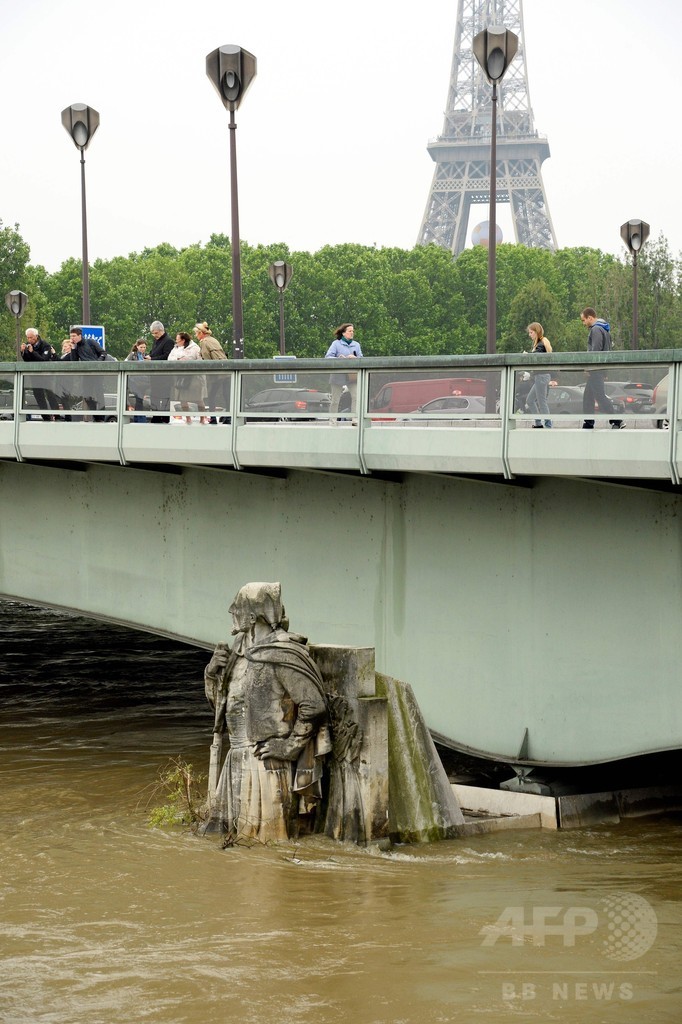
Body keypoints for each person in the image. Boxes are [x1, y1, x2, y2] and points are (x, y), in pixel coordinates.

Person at [203, 582, 330, 843]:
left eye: (236, 607)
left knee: (267, 847)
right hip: (235, 760)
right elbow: (226, 709)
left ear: (252, 616)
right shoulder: (239, 652)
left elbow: (314, 705)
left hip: (265, 766)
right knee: (229, 843)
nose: (231, 612)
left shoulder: (282, 653)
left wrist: (289, 747)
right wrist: (212, 673)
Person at [580, 308, 623, 430]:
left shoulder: (596, 329)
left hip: (595, 369)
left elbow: (596, 351)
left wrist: (589, 368)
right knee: (588, 396)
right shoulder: (604, 329)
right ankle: (588, 423)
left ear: (590, 317)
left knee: (599, 396)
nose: (584, 323)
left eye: (584, 320)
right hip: (599, 369)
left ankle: (616, 420)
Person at [63, 327, 105, 417]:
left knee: (99, 394)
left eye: (74, 336)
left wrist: (97, 363)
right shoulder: (76, 347)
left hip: (97, 372)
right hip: (86, 374)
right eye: (71, 336)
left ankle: (102, 416)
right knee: (87, 396)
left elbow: (103, 353)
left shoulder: (90, 342)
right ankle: (96, 416)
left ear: (80, 336)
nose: (72, 338)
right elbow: (74, 361)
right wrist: (73, 348)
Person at [20, 328, 59, 421]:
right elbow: (27, 360)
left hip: (46, 375)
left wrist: (32, 352)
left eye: (31, 337)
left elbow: (43, 360)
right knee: (38, 395)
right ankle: (45, 416)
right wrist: (23, 352)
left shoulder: (45, 345)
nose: (29, 340)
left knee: (50, 394)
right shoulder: (28, 345)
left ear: (36, 336)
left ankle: (57, 415)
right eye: (28, 337)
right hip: (35, 375)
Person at [325, 323, 362, 421]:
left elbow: (362, 359)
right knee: (335, 400)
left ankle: (355, 419)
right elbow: (328, 357)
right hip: (338, 375)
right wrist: (338, 358)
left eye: (353, 331)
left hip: (352, 375)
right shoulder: (336, 344)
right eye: (350, 331)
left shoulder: (356, 345)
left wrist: (355, 358)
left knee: (356, 397)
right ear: (343, 333)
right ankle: (332, 420)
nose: (352, 333)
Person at [168, 331, 207, 424]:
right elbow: (170, 358)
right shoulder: (175, 348)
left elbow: (200, 360)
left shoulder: (195, 348)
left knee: (198, 399)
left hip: (194, 377)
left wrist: (187, 360)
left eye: (177, 340)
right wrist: (178, 360)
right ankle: (188, 418)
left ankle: (202, 418)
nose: (176, 342)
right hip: (181, 377)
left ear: (183, 340)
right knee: (183, 399)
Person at [194, 321, 227, 422]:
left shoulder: (204, 342)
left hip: (216, 373)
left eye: (196, 333)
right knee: (227, 394)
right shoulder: (213, 340)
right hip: (226, 370)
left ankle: (213, 417)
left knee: (211, 395)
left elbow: (207, 359)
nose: (196, 336)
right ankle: (229, 417)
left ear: (201, 333)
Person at [525, 322, 553, 428]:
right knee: (530, 400)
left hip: (541, 376)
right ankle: (539, 423)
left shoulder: (540, 344)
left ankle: (548, 425)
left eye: (531, 332)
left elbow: (538, 354)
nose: (530, 335)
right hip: (542, 376)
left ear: (536, 332)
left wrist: (528, 355)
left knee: (542, 402)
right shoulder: (542, 343)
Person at [149, 320, 175, 423]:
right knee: (154, 396)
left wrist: (152, 359)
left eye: (155, 333)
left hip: (164, 376)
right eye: (153, 333)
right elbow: (153, 352)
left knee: (164, 396)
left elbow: (167, 356)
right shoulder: (156, 341)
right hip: (155, 375)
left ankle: (164, 418)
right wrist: (149, 356)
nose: (154, 335)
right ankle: (155, 417)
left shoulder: (168, 341)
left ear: (161, 330)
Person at [125, 339, 150, 423]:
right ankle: (140, 419)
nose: (143, 349)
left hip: (143, 381)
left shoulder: (146, 356)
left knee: (139, 399)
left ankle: (138, 418)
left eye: (144, 347)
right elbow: (126, 363)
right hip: (134, 380)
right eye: (141, 347)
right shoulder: (133, 355)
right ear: (137, 347)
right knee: (139, 398)